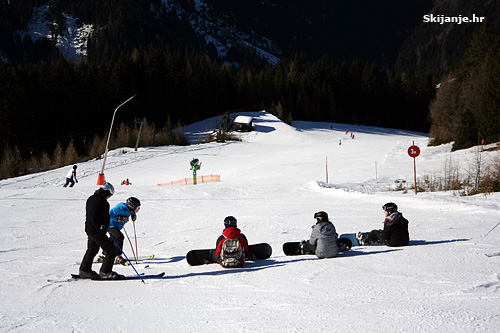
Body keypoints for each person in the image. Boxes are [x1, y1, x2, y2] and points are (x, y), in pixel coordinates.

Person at [79, 182, 124, 279]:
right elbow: (94, 216)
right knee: (111, 250)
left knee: (93, 249)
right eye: (109, 196)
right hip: (96, 231)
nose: (108, 197)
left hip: (90, 229)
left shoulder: (92, 198)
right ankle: (105, 272)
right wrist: (101, 227)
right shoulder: (101, 201)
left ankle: (84, 270)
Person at [105, 197, 141, 264]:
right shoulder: (121, 208)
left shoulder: (130, 210)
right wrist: (119, 218)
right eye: (137, 208)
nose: (137, 209)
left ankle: (105, 254)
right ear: (131, 206)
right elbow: (109, 215)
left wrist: (133, 215)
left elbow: (130, 212)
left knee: (113, 239)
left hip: (116, 226)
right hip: (110, 224)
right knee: (119, 237)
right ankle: (117, 255)